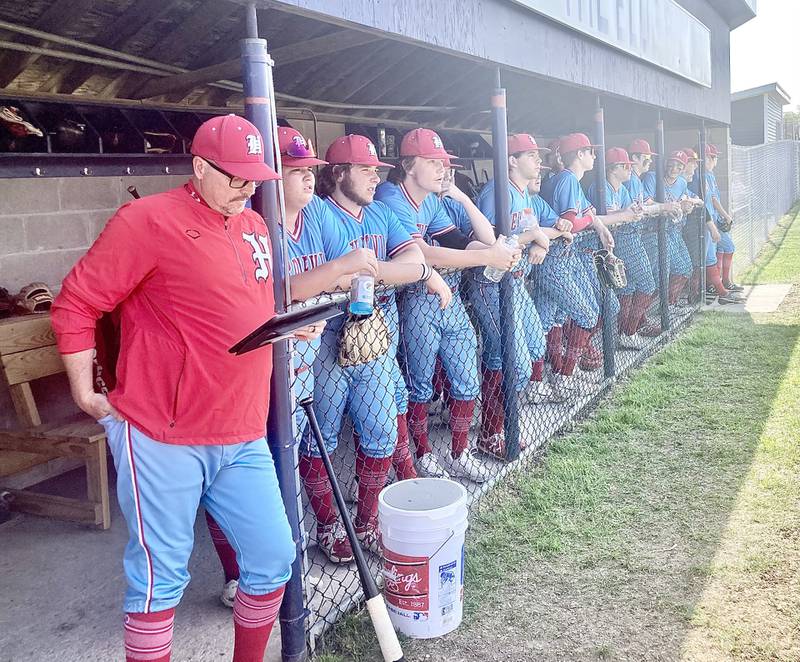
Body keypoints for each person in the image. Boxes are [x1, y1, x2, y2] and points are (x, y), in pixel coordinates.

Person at [50, 115, 304, 662]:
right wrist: (85, 394)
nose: (246, 189)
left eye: (254, 178)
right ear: (198, 167)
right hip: (163, 435)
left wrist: (281, 323)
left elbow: (241, 307)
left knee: (273, 556)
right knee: (159, 579)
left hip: (241, 430)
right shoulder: (147, 220)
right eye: (234, 178)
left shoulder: (255, 226)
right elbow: (76, 302)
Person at [205, 127, 381, 594]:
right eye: (296, 170)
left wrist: (342, 274)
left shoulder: (317, 214)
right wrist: (336, 273)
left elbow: (349, 271)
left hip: (299, 359)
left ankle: (285, 553)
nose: (308, 178)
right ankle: (237, 573)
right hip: (253, 367)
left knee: (288, 459)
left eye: (310, 170)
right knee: (237, 477)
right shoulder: (252, 224)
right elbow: (274, 292)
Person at [310, 133, 444, 555]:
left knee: (383, 434)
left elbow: (415, 263)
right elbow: (319, 279)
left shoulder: (381, 213)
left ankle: (366, 523)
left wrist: (364, 274)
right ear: (337, 173)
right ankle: (329, 526)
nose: (374, 178)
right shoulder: (319, 213)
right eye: (364, 170)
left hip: (374, 333)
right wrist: (373, 274)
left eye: (377, 171)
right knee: (320, 439)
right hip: (326, 336)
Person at [375, 128, 521, 465]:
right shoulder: (390, 195)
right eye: (433, 161)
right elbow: (422, 252)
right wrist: (487, 257)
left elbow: (458, 240)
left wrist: (489, 244)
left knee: (466, 375)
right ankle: (423, 453)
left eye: (444, 162)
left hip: (447, 296)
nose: (443, 168)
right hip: (411, 299)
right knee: (418, 384)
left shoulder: (432, 201)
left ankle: (458, 452)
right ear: (409, 165)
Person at [540, 132, 617, 392]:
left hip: (561, 256)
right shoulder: (567, 179)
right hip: (553, 257)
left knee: (553, 318)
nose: (594, 156)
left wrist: (598, 226)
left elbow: (588, 214)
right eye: (590, 152)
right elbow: (571, 223)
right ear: (579, 154)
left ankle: (554, 374)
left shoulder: (569, 180)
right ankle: (563, 376)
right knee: (584, 314)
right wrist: (588, 222)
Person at [585, 148, 647, 348]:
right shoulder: (600, 186)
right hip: (597, 249)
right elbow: (603, 218)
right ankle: (587, 343)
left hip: (619, 243)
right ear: (612, 168)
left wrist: (629, 213)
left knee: (621, 292)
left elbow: (628, 211)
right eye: (624, 166)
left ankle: (626, 331)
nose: (630, 169)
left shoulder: (623, 188)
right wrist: (624, 215)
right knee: (599, 302)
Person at [691, 144, 744, 303]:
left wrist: (723, 217)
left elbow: (713, 199)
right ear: (705, 158)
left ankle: (720, 284)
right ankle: (716, 288)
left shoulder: (710, 175)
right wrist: (722, 217)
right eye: (713, 157)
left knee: (726, 247)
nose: (716, 160)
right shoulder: (698, 176)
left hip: (713, 219)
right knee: (709, 256)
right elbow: (706, 202)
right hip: (704, 222)